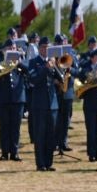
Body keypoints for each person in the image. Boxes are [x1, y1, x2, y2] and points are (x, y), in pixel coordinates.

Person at [26, 39, 62, 171]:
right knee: (40, 135)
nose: (46, 50)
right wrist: (45, 68)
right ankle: (40, 163)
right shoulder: (33, 62)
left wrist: (55, 66)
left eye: (48, 48)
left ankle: (49, 162)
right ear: (39, 48)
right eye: (44, 47)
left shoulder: (52, 62)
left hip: (52, 104)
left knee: (51, 135)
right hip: (39, 104)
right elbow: (33, 79)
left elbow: (61, 79)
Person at [0, 40, 27, 161]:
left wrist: (19, 62)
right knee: (4, 126)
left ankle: (15, 152)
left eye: (14, 47)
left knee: (16, 127)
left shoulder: (21, 61)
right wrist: (6, 62)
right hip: (3, 99)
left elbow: (29, 71)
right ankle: (4, 152)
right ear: (4, 50)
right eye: (9, 47)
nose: (12, 49)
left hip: (18, 98)